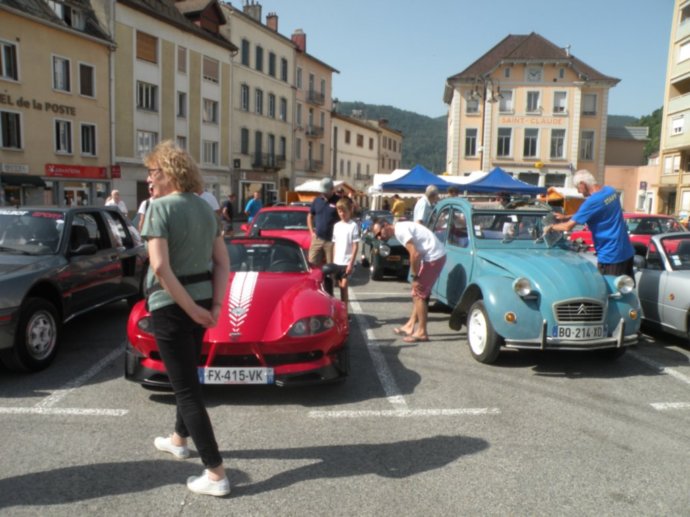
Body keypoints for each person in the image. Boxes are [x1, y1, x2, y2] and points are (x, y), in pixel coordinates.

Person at [141, 140, 230, 497]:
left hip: (172, 306)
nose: (149, 180)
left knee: (186, 390)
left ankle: (215, 473)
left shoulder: (158, 208)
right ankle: (179, 439)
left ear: (167, 173)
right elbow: (223, 262)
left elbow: (160, 267)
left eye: (152, 172)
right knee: (188, 375)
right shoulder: (206, 210)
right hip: (202, 301)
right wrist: (214, 308)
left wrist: (190, 309)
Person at [545, 169, 635, 277]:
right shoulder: (611, 191)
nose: (579, 192)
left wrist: (551, 227)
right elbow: (596, 210)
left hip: (610, 256)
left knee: (610, 291)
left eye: (577, 187)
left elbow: (567, 227)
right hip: (627, 252)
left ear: (583, 184)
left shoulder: (591, 202)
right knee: (627, 289)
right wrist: (566, 217)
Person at [371, 219, 446, 343]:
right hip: (433, 256)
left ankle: (422, 332)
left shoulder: (400, 231)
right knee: (416, 293)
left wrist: (415, 277)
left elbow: (414, 254)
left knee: (419, 294)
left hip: (434, 257)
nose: (379, 237)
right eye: (376, 236)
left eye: (379, 233)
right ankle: (410, 326)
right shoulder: (400, 228)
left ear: (385, 225)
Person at [307, 177, 340, 295]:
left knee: (330, 269)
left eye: (326, 191)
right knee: (312, 264)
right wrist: (311, 232)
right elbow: (310, 216)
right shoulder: (317, 201)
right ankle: (314, 291)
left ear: (332, 189)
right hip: (318, 238)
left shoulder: (338, 201)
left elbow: (346, 216)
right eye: (322, 191)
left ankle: (330, 293)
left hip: (332, 241)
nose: (323, 193)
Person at [328, 198, 360, 313]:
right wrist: (333, 261)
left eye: (344, 211)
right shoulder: (336, 226)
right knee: (339, 288)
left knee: (344, 286)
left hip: (347, 262)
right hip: (338, 262)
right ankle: (341, 310)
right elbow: (335, 244)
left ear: (350, 210)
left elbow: (355, 246)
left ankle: (345, 313)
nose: (342, 214)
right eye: (339, 211)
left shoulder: (353, 226)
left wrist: (351, 263)